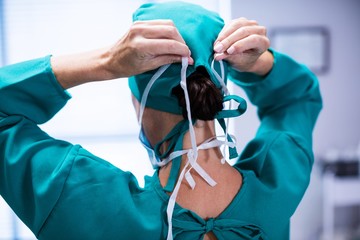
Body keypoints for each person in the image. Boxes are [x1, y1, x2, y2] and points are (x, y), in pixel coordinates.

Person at [0, 1, 322, 240]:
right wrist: (259, 62)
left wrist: (107, 62)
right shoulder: (278, 182)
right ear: (218, 95)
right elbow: (297, 96)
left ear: (138, 105)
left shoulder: (81, 198)